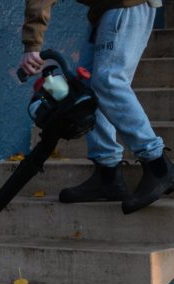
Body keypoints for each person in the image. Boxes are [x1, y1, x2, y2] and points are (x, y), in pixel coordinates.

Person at [20, 0, 174, 214]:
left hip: (125, 5)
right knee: (87, 88)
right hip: (105, 9)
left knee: (108, 81)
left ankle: (158, 166)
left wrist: (32, 44)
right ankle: (108, 174)